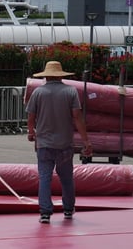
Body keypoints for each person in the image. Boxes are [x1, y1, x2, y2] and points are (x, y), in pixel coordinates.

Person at [26, 61, 94, 224]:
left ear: (46, 75)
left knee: (44, 178)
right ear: (60, 75)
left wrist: (31, 132)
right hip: (65, 144)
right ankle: (68, 209)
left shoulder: (38, 92)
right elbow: (77, 117)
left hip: (44, 143)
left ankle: (45, 213)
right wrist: (86, 141)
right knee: (66, 178)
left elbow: (31, 117)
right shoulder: (71, 91)